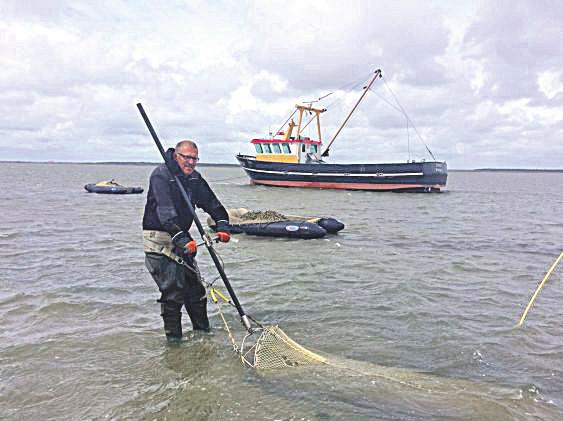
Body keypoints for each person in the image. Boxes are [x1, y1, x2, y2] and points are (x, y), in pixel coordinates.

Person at [142, 140, 231, 341]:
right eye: (186, 157)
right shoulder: (161, 175)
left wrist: (223, 225)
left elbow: (213, 204)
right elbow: (165, 213)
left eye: (194, 158)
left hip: (182, 236)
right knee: (173, 293)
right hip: (160, 238)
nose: (190, 162)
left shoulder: (194, 179)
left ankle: (203, 335)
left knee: (196, 292)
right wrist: (181, 238)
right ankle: (174, 344)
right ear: (176, 156)